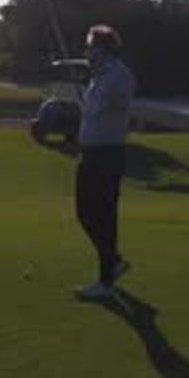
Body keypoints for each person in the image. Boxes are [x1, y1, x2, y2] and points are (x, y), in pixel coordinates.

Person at [74, 25, 136, 301]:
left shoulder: (117, 75)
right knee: (87, 213)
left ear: (102, 47)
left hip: (106, 153)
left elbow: (112, 107)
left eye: (90, 47)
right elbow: (91, 112)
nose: (87, 52)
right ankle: (113, 262)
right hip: (92, 152)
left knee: (101, 215)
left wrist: (92, 95)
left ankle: (106, 276)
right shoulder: (99, 76)